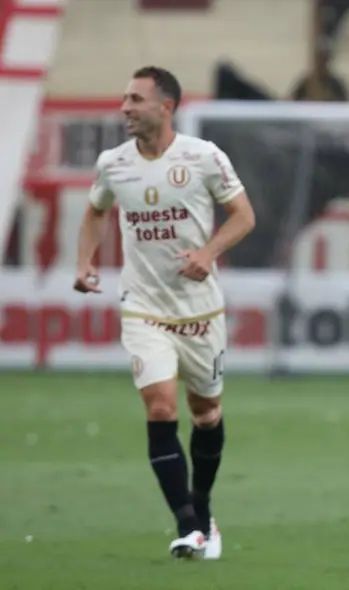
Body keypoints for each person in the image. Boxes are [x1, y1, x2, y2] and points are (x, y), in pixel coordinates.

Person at [73, 66, 256, 560]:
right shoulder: (113, 164)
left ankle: (203, 508)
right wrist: (85, 261)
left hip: (200, 311)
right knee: (159, 406)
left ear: (165, 107)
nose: (125, 107)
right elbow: (94, 210)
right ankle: (188, 526)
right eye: (124, 97)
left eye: (136, 98)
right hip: (143, 306)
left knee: (206, 413)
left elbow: (244, 216)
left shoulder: (202, 157)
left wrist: (207, 253)